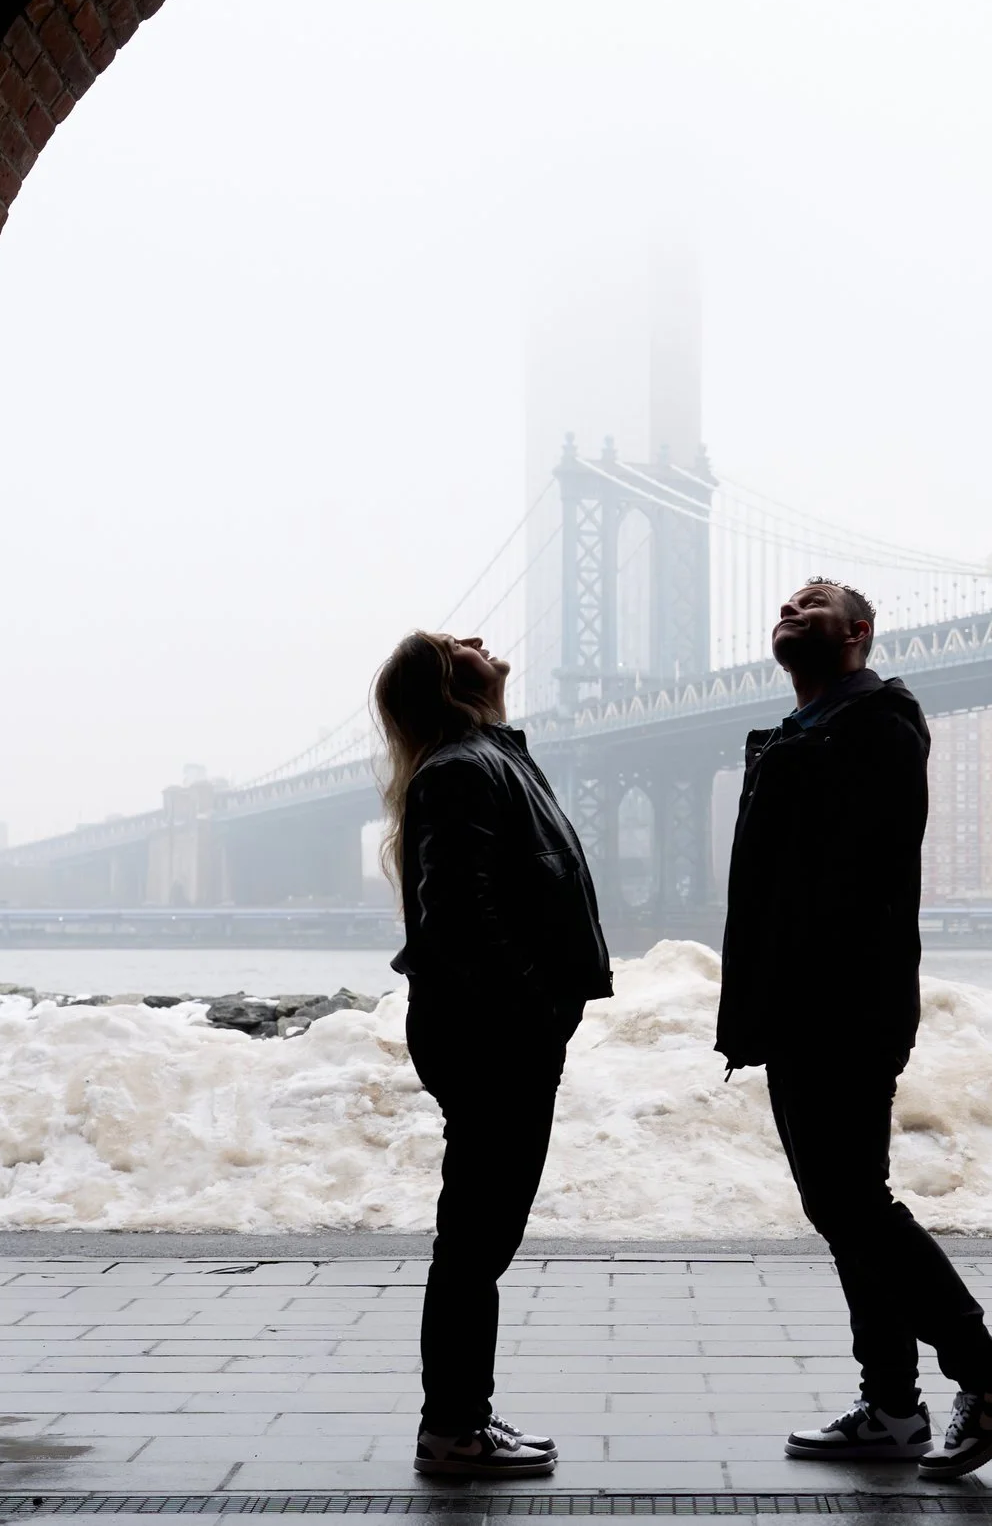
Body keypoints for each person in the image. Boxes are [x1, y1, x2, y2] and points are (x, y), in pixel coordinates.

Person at [716, 580, 992, 1479]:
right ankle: (893, 1406)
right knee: (847, 1209)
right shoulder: (813, 729)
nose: (789, 609)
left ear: (859, 632)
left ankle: (991, 1380)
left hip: (841, 1009)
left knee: (853, 1205)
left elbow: (848, 874)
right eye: (781, 602)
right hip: (807, 1008)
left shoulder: (876, 728)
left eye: (813, 603)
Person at [375, 630, 613, 1479]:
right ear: (445, 682)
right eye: (454, 642)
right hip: (493, 1034)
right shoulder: (464, 770)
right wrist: (539, 1006)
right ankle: (454, 1429)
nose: (478, 639)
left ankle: (459, 1420)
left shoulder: (484, 759)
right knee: (475, 1241)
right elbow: (461, 917)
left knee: (478, 1238)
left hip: (491, 1029)